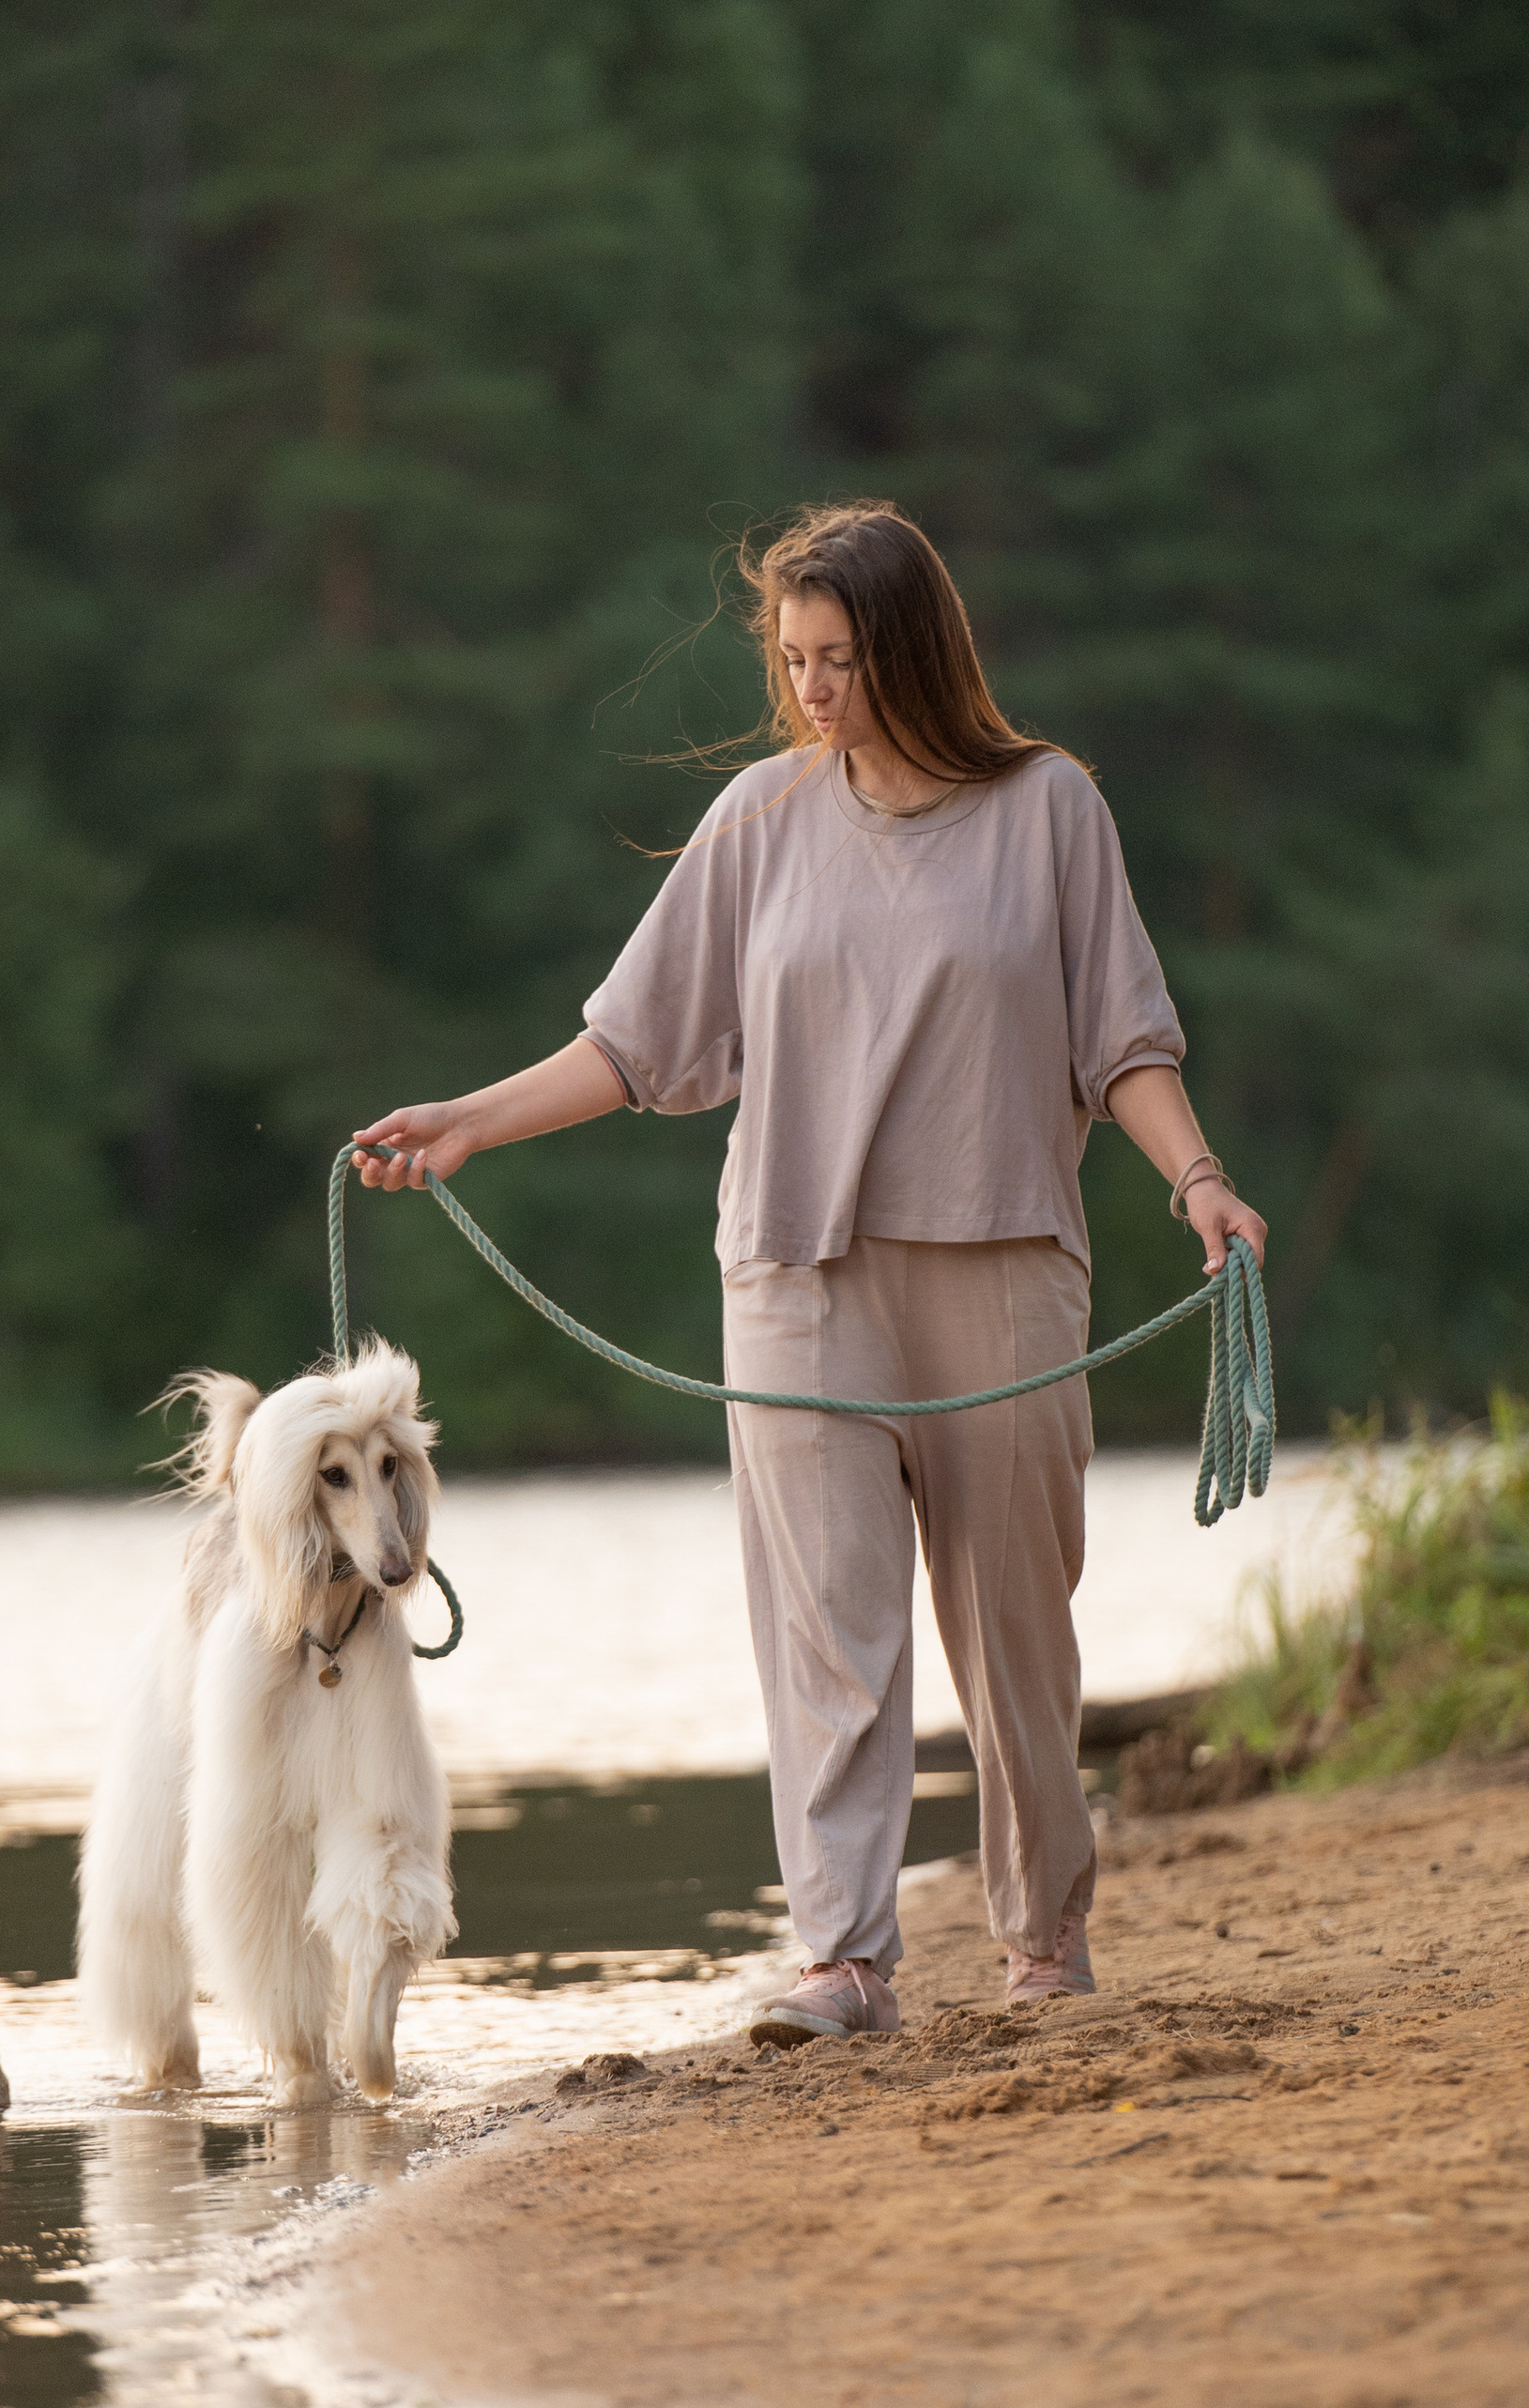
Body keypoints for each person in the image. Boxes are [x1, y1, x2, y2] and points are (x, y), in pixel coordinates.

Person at [353, 501, 1267, 2030]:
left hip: (1002, 1270)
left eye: (838, 657)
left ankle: (1044, 1942)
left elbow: (1124, 1042)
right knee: (827, 1631)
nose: (814, 690)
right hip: (794, 1274)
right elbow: (630, 1043)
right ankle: (845, 1957)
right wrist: (472, 1125)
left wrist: (1202, 1183)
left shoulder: (1050, 811)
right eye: (793, 661)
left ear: (911, 648)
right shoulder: (761, 822)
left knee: (1015, 1636)